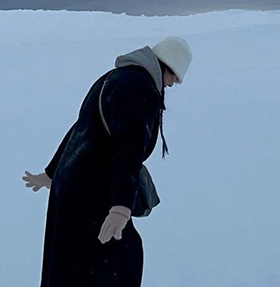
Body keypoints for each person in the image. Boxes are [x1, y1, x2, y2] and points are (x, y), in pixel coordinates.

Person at [23, 36, 193, 287]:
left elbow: (82, 128)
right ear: (168, 66)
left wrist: (53, 173)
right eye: (175, 78)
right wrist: (120, 207)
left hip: (72, 187)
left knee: (72, 268)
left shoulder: (113, 78)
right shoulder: (141, 89)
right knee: (117, 263)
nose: (173, 84)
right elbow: (128, 149)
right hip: (94, 192)